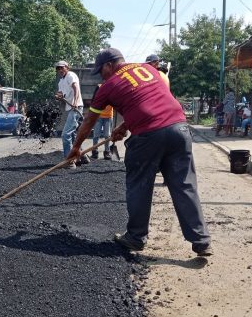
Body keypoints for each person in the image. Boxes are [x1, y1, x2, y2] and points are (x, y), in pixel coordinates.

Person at [67, 47, 212, 257]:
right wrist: (125, 127)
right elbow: (150, 101)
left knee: (139, 185)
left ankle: (135, 237)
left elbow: (90, 120)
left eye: (101, 71)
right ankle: (201, 241)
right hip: (179, 129)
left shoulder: (109, 86)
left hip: (149, 136)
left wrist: (76, 147)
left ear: (109, 65)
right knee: (184, 185)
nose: (102, 76)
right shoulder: (148, 69)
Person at [54, 60, 88, 168]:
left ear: (67, 67)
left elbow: (76, 88)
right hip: (70, 108)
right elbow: (61, 94)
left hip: (76, 107)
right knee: (72, 134)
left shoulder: (71, 75)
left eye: (61, 67)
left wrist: (75, 102)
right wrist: (58, 97)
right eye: (58, 68)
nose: (60, 70)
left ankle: (69, 161)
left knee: (66, 134)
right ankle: (82, 156)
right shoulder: (61, 81)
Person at [90, 85, 113, 159]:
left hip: (108, 116)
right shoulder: (99, 87)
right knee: (96, 135)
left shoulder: (112, 88)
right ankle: (95, 152)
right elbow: (93, 100)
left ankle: (107, 152)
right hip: (98, 116)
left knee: (107, 135)